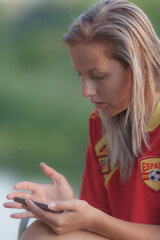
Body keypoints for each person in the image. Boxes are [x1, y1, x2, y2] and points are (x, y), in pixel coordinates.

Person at [4, 0, 160, 239]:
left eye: (98, 76)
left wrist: (96, 221)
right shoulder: (100, 124)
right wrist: (68, 206)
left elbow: (101, 223)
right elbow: (100, 221)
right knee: (41, 234)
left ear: (139, 66)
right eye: (80, 75)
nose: (86, 91)